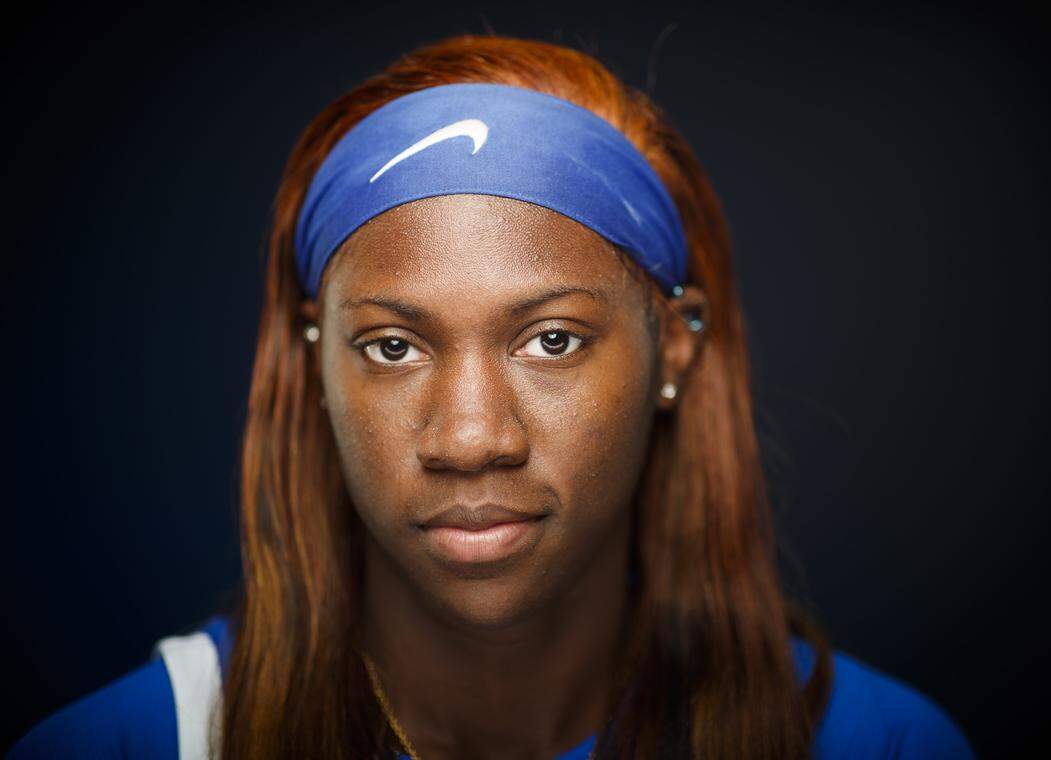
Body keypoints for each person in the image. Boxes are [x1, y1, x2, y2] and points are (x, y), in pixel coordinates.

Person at [8, 33, 976, 760]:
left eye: (551, 339)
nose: (471, 437)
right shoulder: (135, 743)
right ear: (315, 361)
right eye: (392, 345)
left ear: (673, 349)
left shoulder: (877, 744)